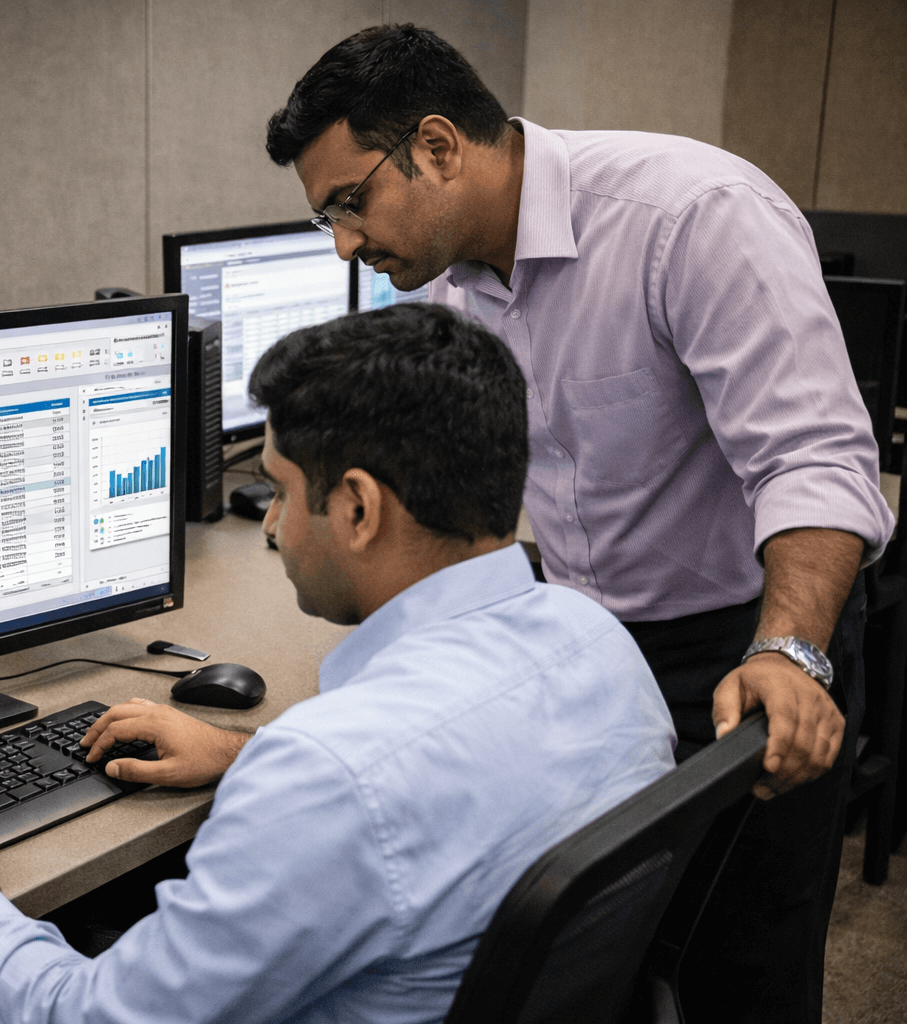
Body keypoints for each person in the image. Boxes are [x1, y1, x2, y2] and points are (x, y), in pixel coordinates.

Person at [261, 23, 896, 1024]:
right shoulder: (453, 288)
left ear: (436, 147)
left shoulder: (689, 216)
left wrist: (790, 649)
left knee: (744, 973)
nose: (345, 240)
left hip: (749, 640)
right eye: (326, 218)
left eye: (351, 201)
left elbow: (813, 457)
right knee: (601, 959)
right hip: (591, 649)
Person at [0, 303, 677, 1023]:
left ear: (357, 508)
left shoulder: (331, 779)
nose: (273, 526)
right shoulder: (600, 641)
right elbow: (441, 789)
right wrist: (248, 754)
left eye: (279, 489)